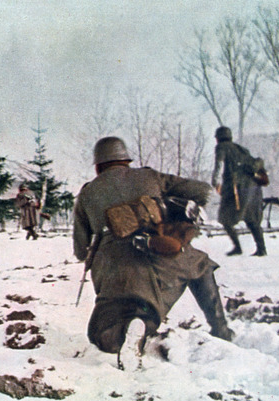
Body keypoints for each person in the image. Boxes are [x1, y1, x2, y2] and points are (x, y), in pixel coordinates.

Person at [73, 136, 233, 370]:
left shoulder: (86, 193)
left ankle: (127, 331)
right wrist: (168, 208)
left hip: (114, 276)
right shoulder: (150, 176)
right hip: (161, 258)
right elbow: (203, 191)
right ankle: (221, 329)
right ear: (126, 161)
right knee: (200, 264)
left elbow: (80, 250)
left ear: (98, 166)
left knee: (103, 334)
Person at [211, 126, 267, 256]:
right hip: (253, 188)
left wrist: (215, 182)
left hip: (236, 189)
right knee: (252, 219)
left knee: (225, 219)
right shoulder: (242, 149)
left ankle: (237, 247)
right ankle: (262, 249)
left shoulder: (222, 147)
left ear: (218, 138)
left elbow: (219, 165)